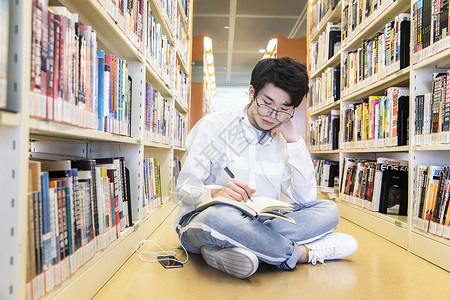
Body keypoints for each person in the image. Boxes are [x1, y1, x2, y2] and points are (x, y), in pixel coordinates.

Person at [175, 57, 357, 279]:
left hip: (260, 220)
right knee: (220, 219)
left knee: (328, 211)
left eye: (283, 109)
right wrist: (216, 192)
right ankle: (300, 254)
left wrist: (294, 140)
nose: (272, 115)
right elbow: (184, 188)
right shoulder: (214, 126)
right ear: (252, 92)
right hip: (205, 218)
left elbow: (305, 198)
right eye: (267, 103)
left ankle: (238, 247)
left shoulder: (282, 137)